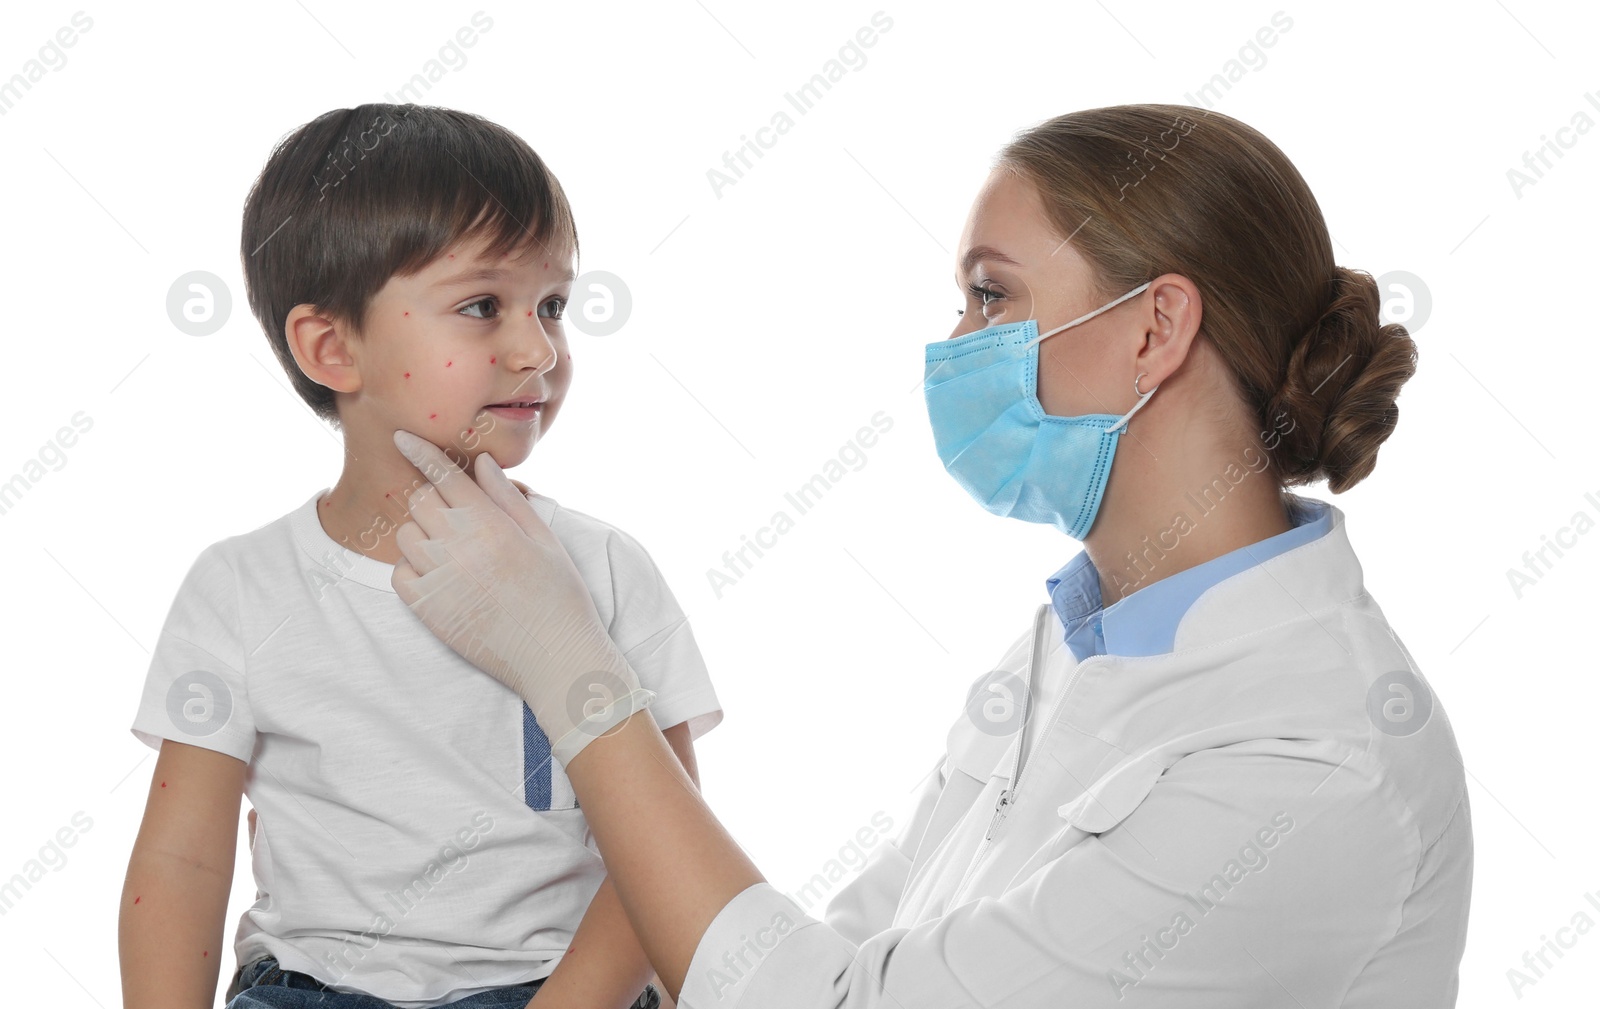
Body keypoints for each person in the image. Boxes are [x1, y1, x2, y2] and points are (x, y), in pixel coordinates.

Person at [385, 103, 1471, 1006]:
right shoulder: (1078, 638)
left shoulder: (1307, 767)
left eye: (991, 295)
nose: (956, 347)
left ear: (1154, 329)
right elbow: (854, 956)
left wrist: (571, 671)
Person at [119, 104, 723, 1009]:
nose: (539, 348)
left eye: (552, 305)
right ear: (332, 346)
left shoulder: (602, 568)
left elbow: (669, 843)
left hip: (550, 989)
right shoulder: (241, 588)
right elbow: (180, 858)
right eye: (483, 306)